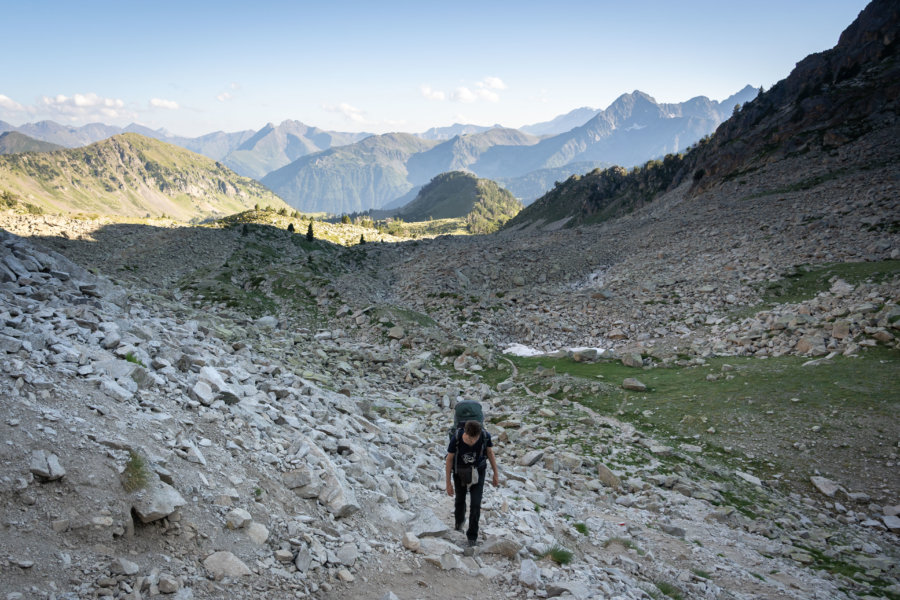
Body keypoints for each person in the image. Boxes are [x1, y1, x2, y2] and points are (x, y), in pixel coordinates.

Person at [445, 420, 499, 547]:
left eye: (475, 439)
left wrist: (496, 474)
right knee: (460, 500)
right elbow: (449, 460)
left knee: (475, 504)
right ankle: (459, 523)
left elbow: (490, 453)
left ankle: (472, 536)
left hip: (478, 472)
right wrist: (448, 483)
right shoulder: (457, 438)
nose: (472, 442)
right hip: (460, 472)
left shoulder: (485, 437)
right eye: (470, 439)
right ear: (465, 432)